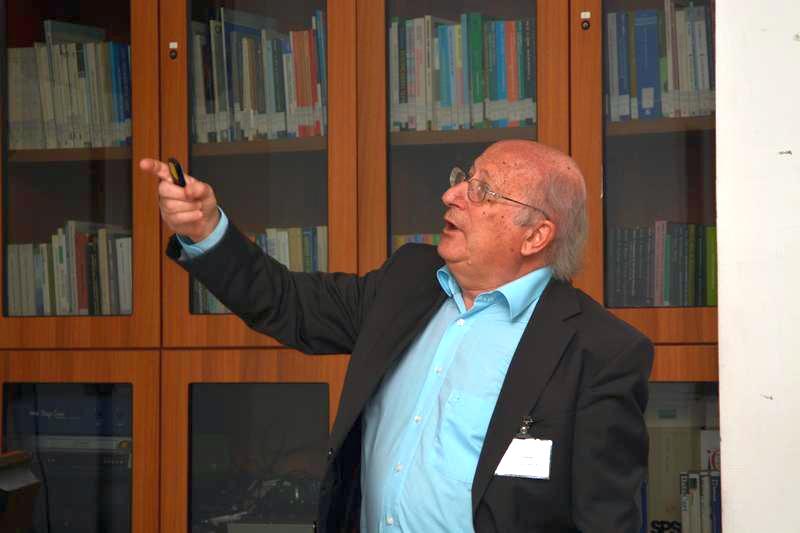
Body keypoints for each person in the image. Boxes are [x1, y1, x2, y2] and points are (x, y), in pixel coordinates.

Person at [140, 139, 653, 533]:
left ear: (535, 235)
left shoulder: (600, 351)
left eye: (482, 191)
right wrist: (206, 231)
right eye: (463, 179)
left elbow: (606, 522)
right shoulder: (408, 281)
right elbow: (288, 303)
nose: (451, 195)